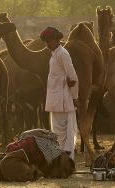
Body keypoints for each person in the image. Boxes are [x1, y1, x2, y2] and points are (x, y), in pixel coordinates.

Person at [40, 27, 79, 159]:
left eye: (49, 41)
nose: (47, 44)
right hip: (55, 100)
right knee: (57, 134)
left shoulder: (63, 54)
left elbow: (73, 78)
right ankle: (60, 162)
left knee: (66, 133)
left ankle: (68, 162)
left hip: (64, 100)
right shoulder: (54, 55)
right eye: (46, 41)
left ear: (57, 40)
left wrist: (74, 97)